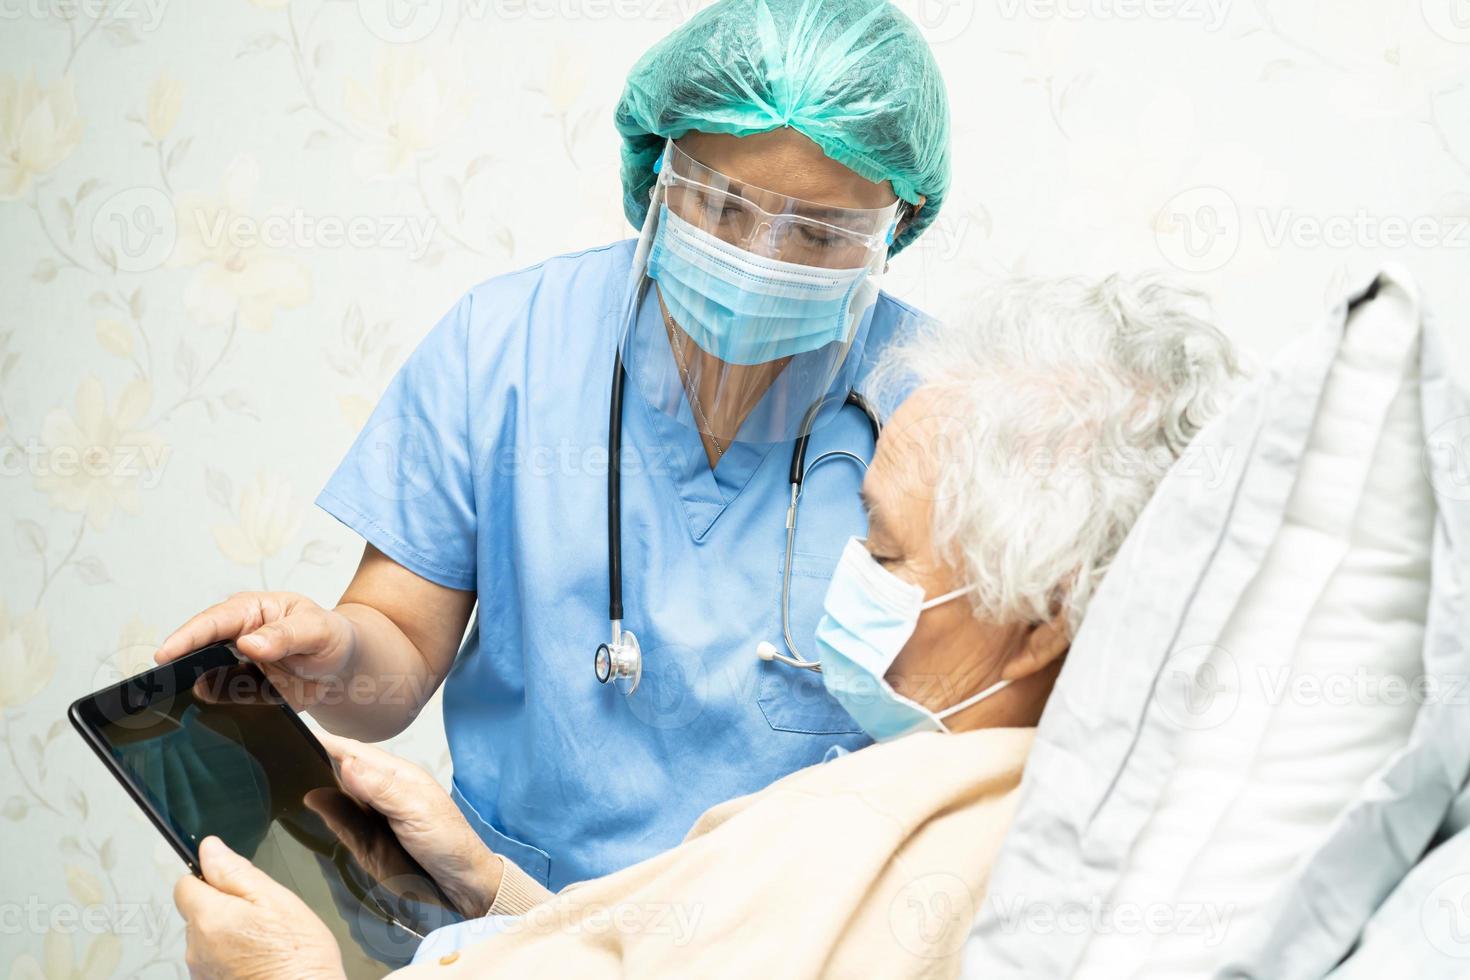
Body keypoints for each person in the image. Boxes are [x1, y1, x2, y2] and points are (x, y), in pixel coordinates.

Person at [173, 273, 1243, 978]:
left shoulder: (917, 833)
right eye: (721, 200)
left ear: (1049, 611)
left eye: (882, 551)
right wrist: (489, 887)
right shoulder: (965, 787)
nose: (764, 253)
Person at [153, 0, 951, 894]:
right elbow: (400, 651)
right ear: (658, 168)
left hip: (795, 935)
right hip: (507, 922)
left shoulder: (939, 411)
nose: (758, 253)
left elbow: (974, 731)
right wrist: (334, 656)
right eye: (721, 204)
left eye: (816, 232)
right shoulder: (504, 345)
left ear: (898, 219)